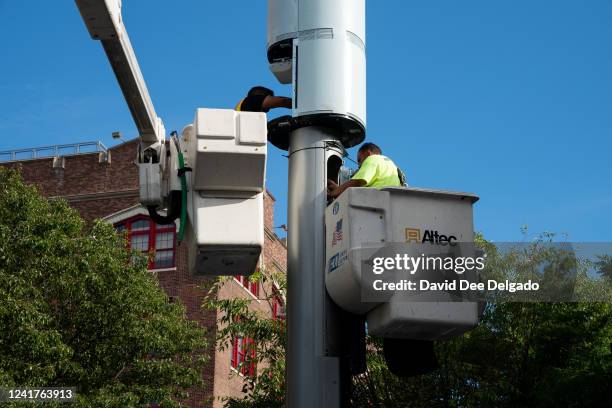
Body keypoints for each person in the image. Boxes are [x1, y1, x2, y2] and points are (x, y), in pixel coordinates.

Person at [327, 142, 405, 198]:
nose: (359, 165)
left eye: (359, 160)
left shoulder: (372, 159)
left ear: (368, 154)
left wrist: (334, 192)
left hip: (376, 201)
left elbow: (357, 182)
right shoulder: (392, 165)